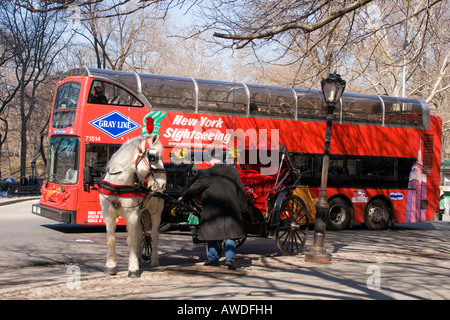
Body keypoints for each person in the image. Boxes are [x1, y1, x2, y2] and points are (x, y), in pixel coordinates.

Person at [179, 150, 247, 270]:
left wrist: (184, 198)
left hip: (213, 210)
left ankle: (213, 259)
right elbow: (240, 191)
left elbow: (194, 188)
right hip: (231, 208)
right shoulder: (233, 172)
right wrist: (243, 207)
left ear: (213, 160)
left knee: (211, 234)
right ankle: (229, 259)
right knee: (231, 235)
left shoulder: (209, 173)